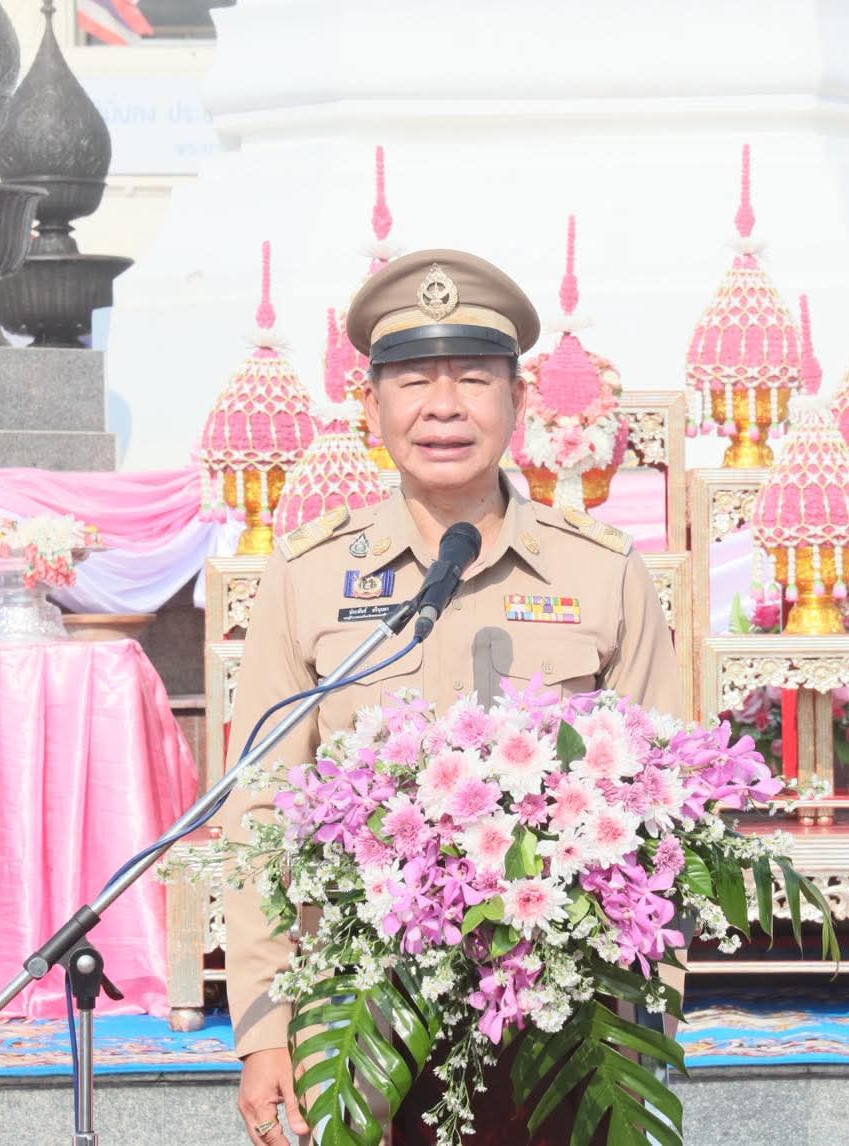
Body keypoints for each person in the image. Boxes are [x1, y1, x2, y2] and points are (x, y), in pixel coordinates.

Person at [221, 249, 686, 1146]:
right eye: (413, 382)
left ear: (518, 400)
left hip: (566, 1017)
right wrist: (265, 1025)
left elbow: (661, 812)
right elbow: (259, 810)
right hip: (365, 1012)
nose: (444, 407)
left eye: (474, 378)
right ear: (372, 408)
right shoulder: (310, 576)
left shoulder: (601, 571)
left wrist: (649, 1018)